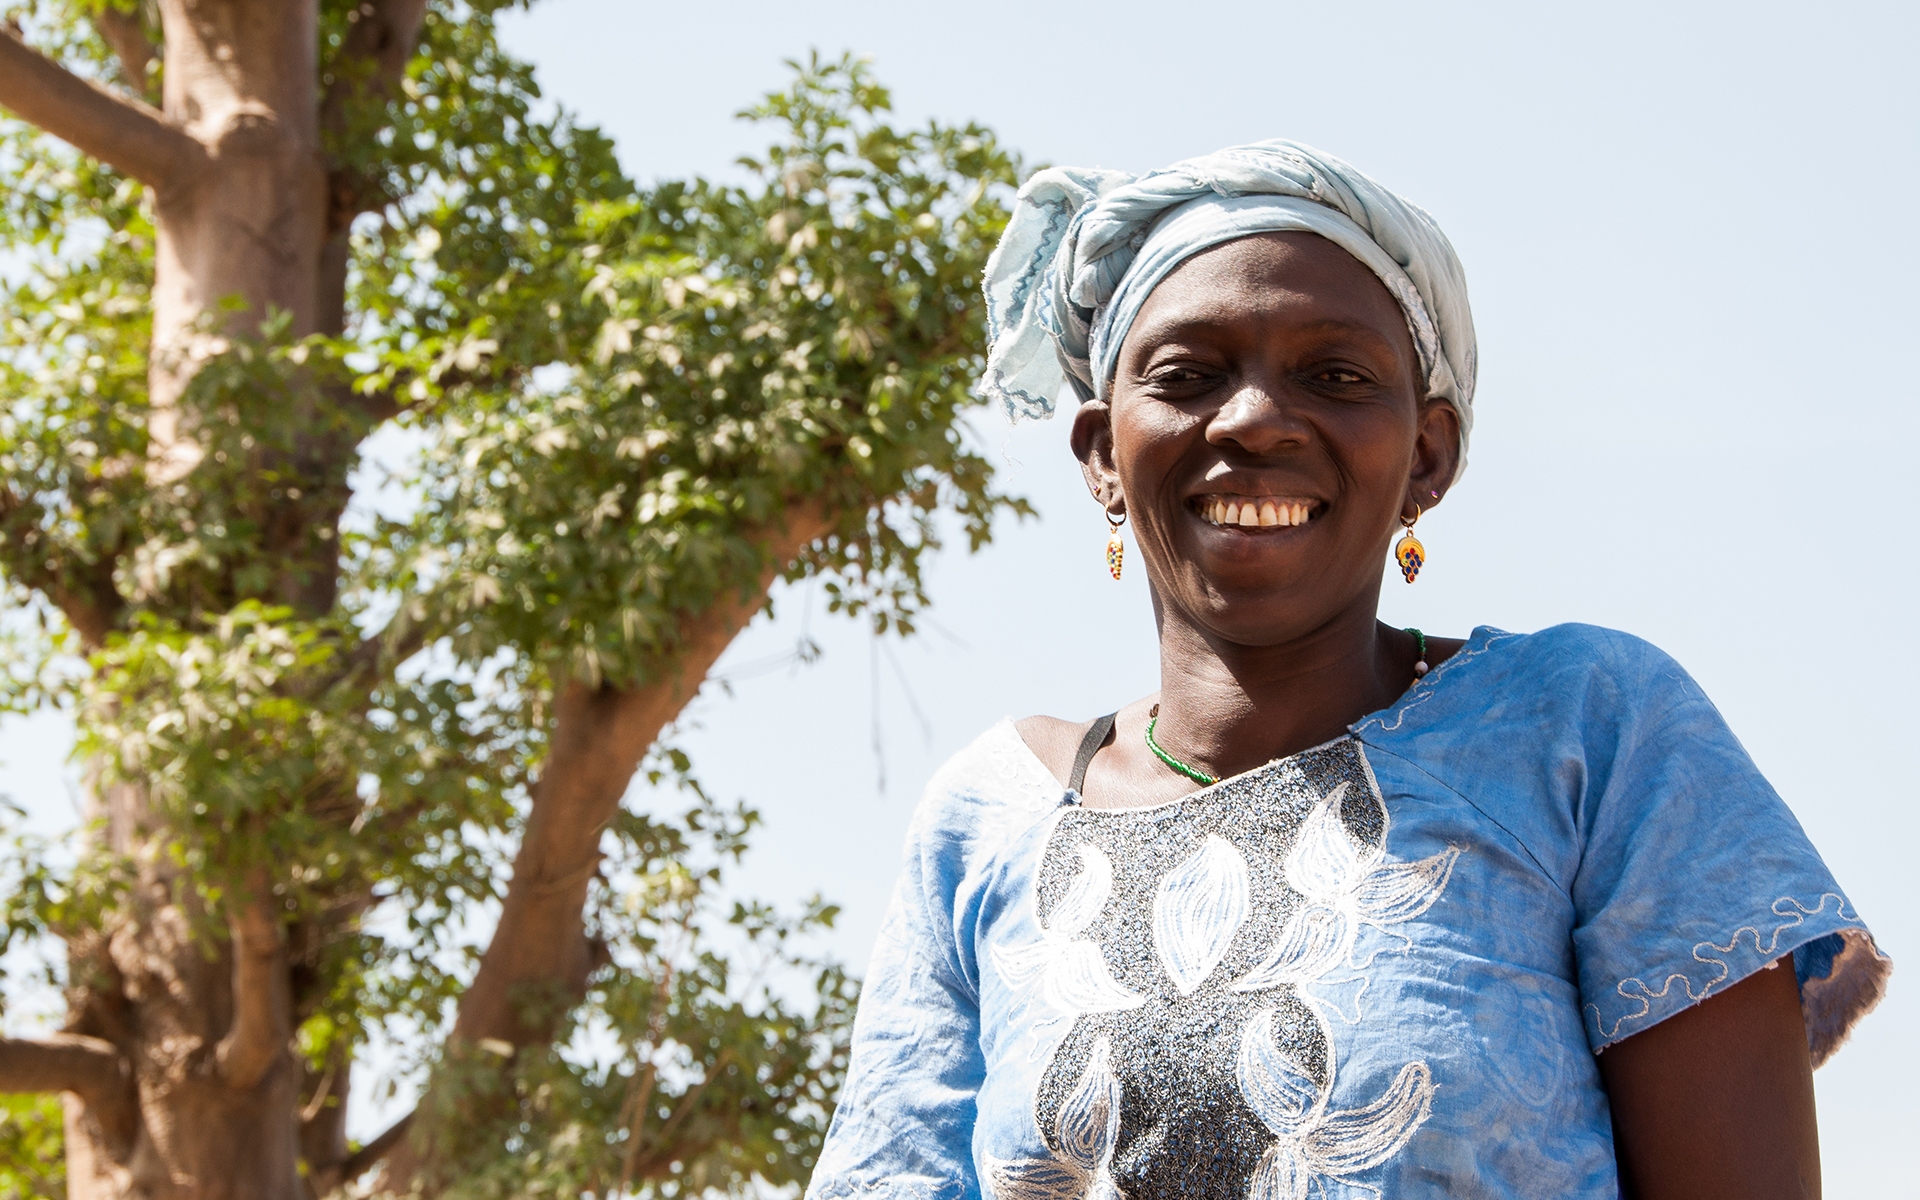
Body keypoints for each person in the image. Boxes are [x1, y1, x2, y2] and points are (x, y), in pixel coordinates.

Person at [803, 141, 1889, 1200]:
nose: (1256, 419)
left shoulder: (1584, 729)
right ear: (1101, 454)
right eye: (1187, 375)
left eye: (1335, 374)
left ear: (1428, 455)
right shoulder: (989, 818)